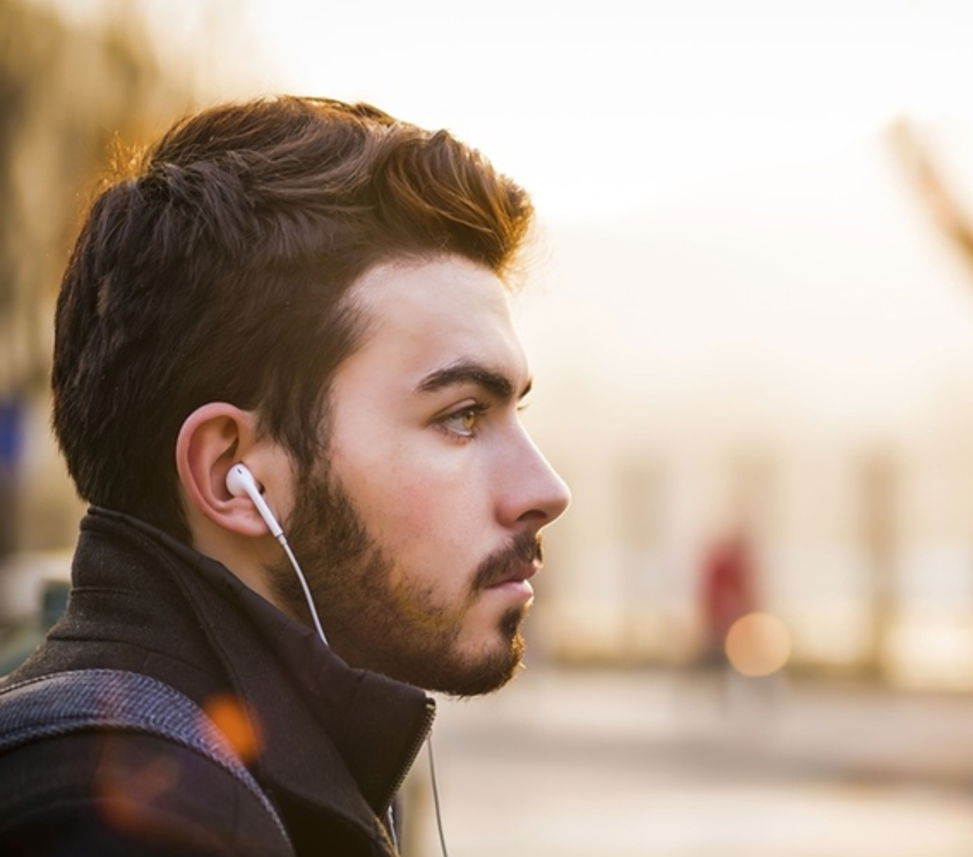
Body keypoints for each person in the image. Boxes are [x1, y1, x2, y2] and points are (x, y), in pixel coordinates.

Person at [0, 96, 570, 856]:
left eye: (514, 410)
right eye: (462, 415)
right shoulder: (132, 821)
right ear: (232, 474)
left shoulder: (226, 777)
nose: (545, 490)